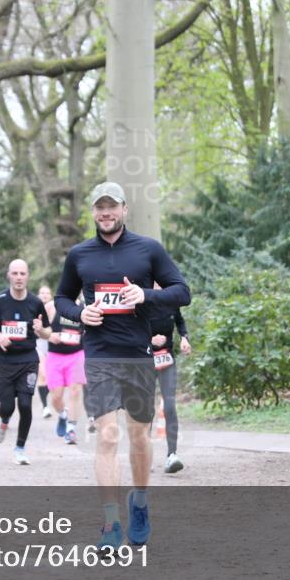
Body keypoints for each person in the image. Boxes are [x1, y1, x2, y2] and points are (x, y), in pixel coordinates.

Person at [55, 182, 190, 550]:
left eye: (111, 206)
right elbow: (61, 298)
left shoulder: (148, 250)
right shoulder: (80, 254)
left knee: (138, 437)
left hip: (138, 356)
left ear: (124, 209)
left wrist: (145, 294)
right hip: (99, 355)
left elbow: (182, 292)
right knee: (109, 436)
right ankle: (111, 522)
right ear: (93, 212)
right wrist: (80, 312)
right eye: (100, 207)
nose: (105, 213)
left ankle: (141, 501)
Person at [0, 259, 51, 465]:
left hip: (27, 359)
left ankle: (20, 448)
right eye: (15, 273)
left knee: (26, 405)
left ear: (28, 276)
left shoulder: (36, 303)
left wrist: (41, 329)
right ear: (9, 275)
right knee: (7, 407)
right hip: (3, 360)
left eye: (22, 274)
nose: (19, 277)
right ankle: (4, 420)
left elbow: (47, 332)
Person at [147, 297, 191, 473]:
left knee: (170, 406)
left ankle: (172, 455)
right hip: (145, 360)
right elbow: (131, 330)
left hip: (167, 360)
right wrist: (150, 339)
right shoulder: (141, 301)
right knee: (147, 409)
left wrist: (184, 338)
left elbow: (180, 321)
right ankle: (144, 456)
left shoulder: (171, 300)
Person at [44, 296, 86, 445]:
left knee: (75, 391)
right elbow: (38, 329)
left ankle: (71, 428)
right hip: (55, 356)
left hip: (77, 355)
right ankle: (63, 415)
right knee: (56, 396)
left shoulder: (84, 306)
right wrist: (49, 335)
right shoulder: (51, 307)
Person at [36, 285, 54, 417]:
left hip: (54, 345)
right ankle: (45, 407)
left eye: (47, 293)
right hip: (39, 344)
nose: (44, 295)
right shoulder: (33, 307)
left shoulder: (55, 308)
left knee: (51, 378)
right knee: (42, 374)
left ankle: (52, 402)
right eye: (42, 293)